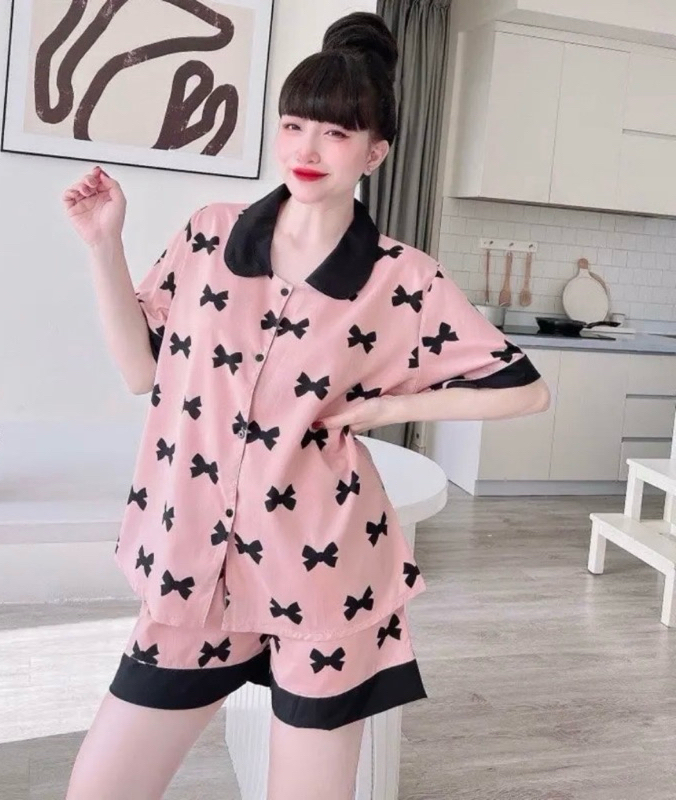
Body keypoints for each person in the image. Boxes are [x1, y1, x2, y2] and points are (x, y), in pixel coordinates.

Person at [61, 12, 549, 800]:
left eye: (335, 132)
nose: (307, 149)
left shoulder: (401, 277)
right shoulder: (211, 235)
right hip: (193, 563)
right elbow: (138, 370)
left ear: (375, 153)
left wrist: (386, 412)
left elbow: (525, 389)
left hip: (324, 572)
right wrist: (102, 244)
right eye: (293, 125)